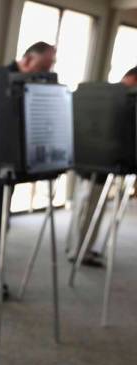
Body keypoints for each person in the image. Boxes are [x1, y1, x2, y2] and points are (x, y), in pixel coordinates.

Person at [0, 42, 57, 300]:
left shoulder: (30, 83)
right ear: (27, 60)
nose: (46, 71)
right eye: (43, 65)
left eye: (50, 66)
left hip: (9, 164)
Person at [68, 66, 137, 267]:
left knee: (83, 206)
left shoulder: (99, 94)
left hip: (86, 159)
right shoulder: (122, 99)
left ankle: (78, 248)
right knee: (88, 208)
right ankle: (79, 251)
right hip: (101, 162)